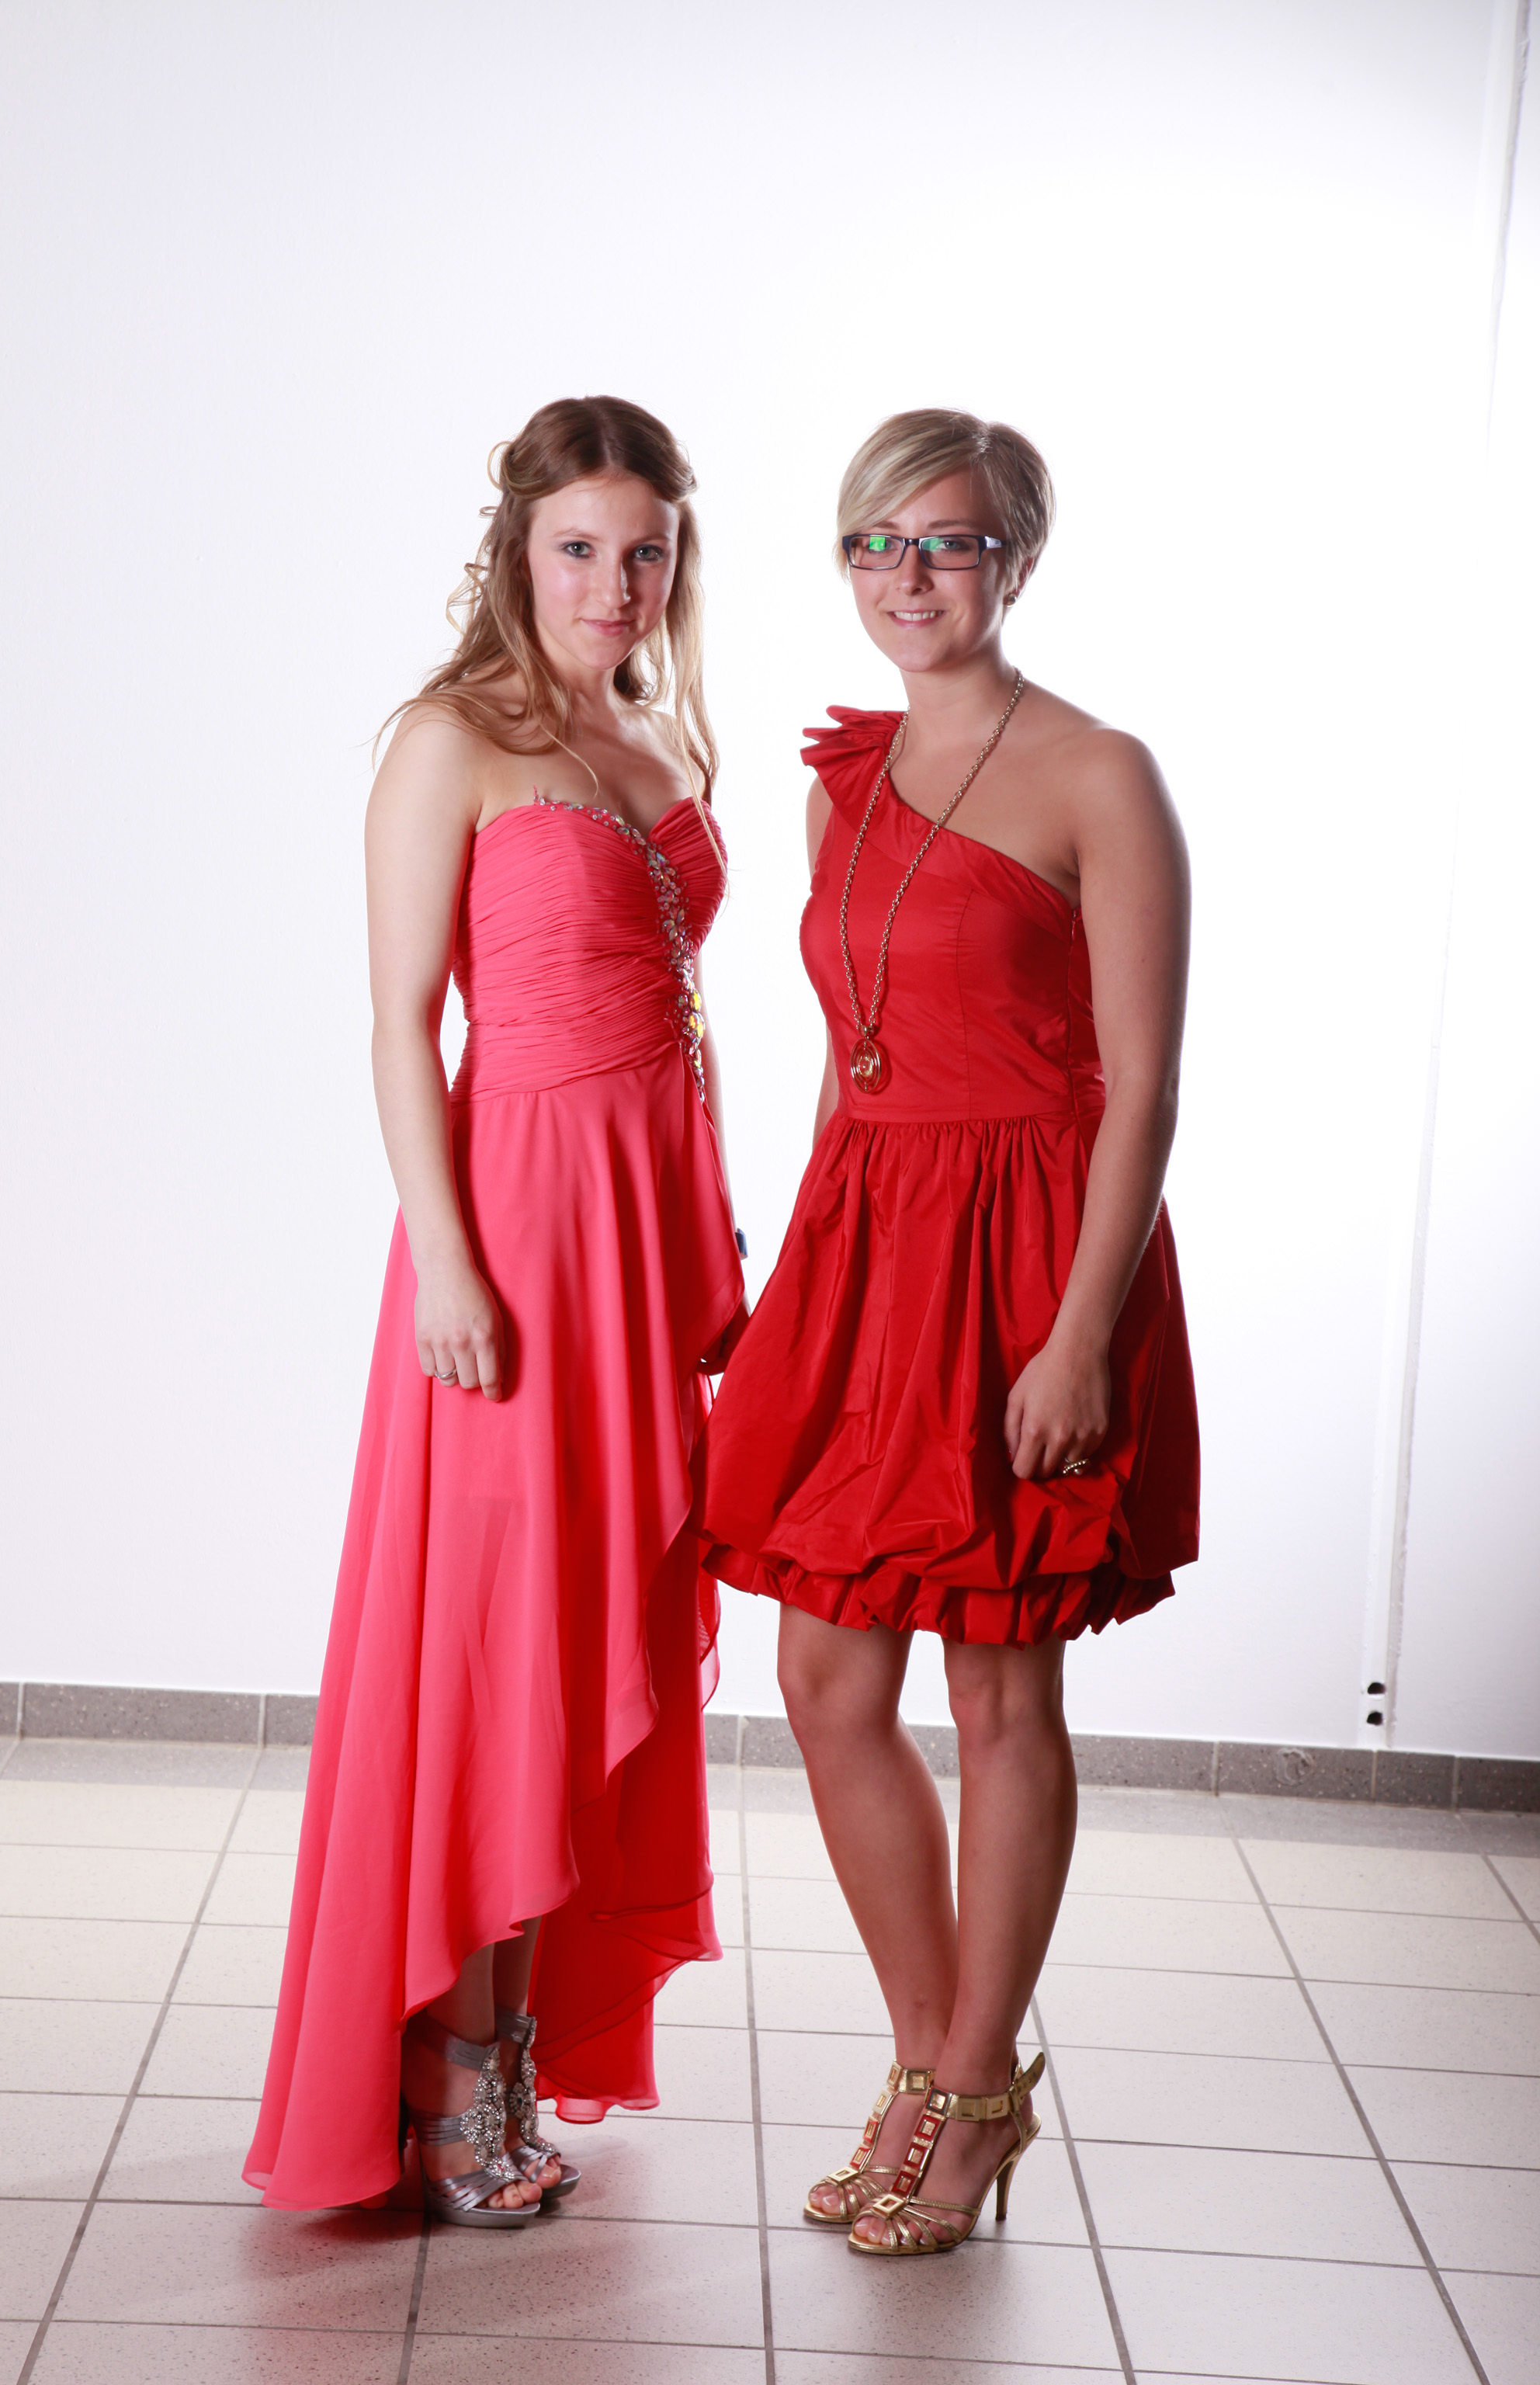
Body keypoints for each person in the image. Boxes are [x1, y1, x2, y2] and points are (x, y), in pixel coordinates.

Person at [695, 408, 1198, 2257]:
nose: (909, 578)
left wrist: (1077, 1337)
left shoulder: (1098, 773)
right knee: (827, 1681)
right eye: (875, 545)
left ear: (1018, 558)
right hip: (869, 1248)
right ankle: (930, 2060)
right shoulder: (840, 782)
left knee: (997, 1688)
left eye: (951, 542)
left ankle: (978, 2091)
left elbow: (1141, 1089)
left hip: (1027, 1259)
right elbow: (852, 1055)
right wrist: (802, 1276)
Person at [245, 396, 744, 2225]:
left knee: (587, 1631)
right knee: (500, 1654)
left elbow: (679, 1011)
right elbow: (399, 1025)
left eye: (645, 552)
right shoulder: (449, 740)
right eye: (579, 548)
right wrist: (446, 1261)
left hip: (642, 1239)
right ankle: (450, 2075)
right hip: (516, 1237)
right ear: (516, 549)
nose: (615, 584)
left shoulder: (655, 736)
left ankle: (507, 2046)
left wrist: (710, 1222)